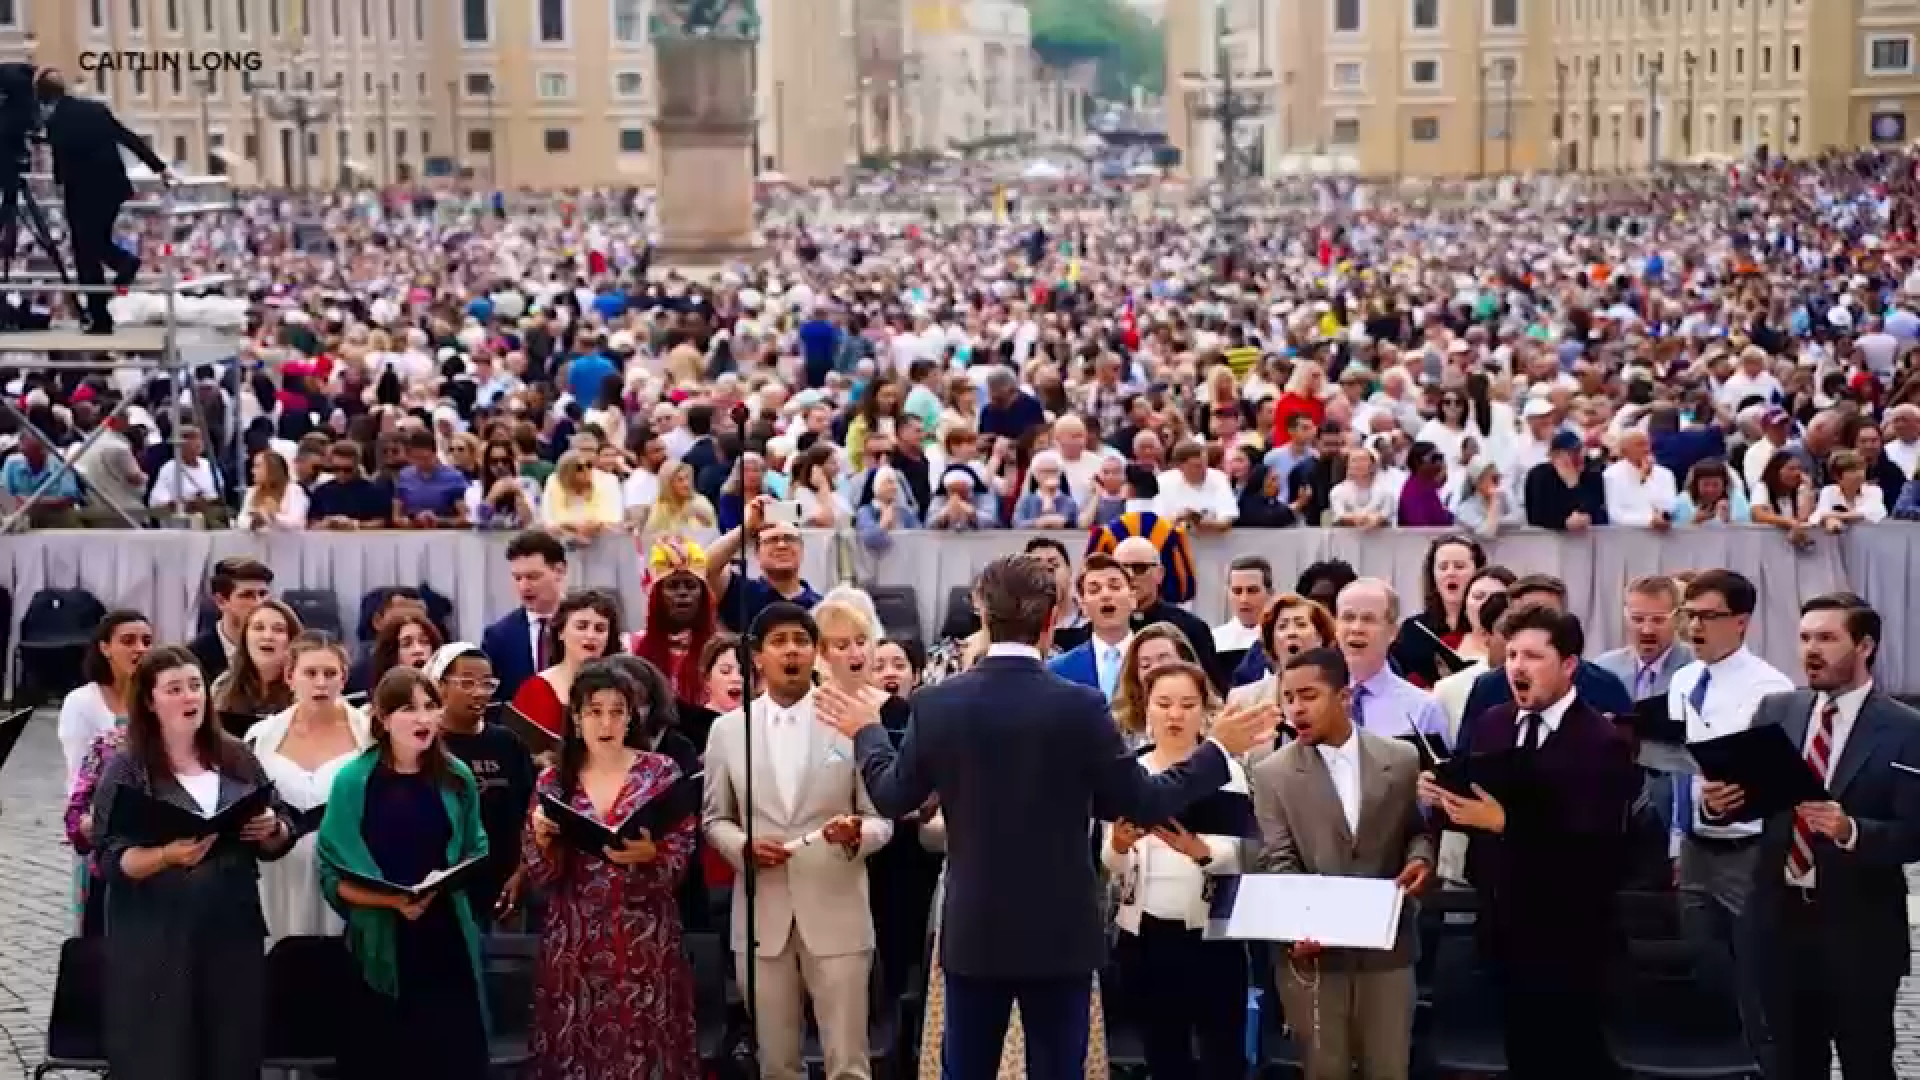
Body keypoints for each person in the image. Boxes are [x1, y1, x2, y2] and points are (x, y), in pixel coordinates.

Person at [814, 555, 1278, 1080]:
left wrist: (867, 732)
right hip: (1062, 936)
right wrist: (1215, 750)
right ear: (1054, 617)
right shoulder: (1081, 706)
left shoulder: (939, 702)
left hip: (976, 932)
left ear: (982, 614)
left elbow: (893, 795)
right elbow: (1141, 802)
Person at [1420, 605, 1640, 1080]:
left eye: (1534, 656)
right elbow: (1480, 805)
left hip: (1573, 939)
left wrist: (1505, 824)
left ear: (1568, 665)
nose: (1517, 666)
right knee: (1520, 1057)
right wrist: (1445, 799)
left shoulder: (1602, 740)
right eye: (1513, 654)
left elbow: (1597, 847)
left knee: (1570, 1059)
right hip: (1504, 928)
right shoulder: (1494, 723)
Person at [702, 602, 892, 1080]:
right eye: (779, 642)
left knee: (849, 1064)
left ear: (816, 653)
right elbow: (713, 818)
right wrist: (741, 846)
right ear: (757, 657)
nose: (792, 651)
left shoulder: (854, 722)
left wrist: (856, 836)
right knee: (776, 1065)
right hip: (761, 919)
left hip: (838, 913)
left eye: (801, 641)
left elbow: (882, 818)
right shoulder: (727, 731)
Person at [89, 645, 294, 1080]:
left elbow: (279, 829)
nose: (190, 698)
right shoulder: (127, 769)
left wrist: (271, 828)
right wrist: (166, 856)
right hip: (156, 939)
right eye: (175, 689)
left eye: (196, 686)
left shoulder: (236, 756)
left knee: (232, 1054)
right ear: (149, 700)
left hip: (231, 933)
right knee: (164, 1058)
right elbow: (109, 859)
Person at [1738, 594, 1920, 1080]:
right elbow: (1757, 803)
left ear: (1865, 646)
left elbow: (1914, 835)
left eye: (1826, 638)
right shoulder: (1777, 711)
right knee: (1791, 1065)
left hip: (1859, 932)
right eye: (1804, 638)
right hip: (1778, 924)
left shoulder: (1905, 729)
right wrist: (1723, 801)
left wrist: (1852, 830)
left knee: (1867, 1063)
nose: (1811, 650)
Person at [1254, 647, 1433, 1080]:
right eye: (1288, 697)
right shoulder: (1269, 772)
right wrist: (1301, 925)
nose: (1295, 708)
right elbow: (1278, 859)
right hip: (1312, 958)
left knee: (1389, 1070)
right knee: (1323, 1072)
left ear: (1345, 696)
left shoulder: (1402, 759)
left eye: (1308, 695)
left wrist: (1421, 859)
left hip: (1387, 953)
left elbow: (1418, 831)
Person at [523, 663, 700, 1080]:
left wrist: (650, 853)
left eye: (617, 711)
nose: (606, 722)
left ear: (632, 717)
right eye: (595, 711)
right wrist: (545, 843)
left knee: (648, 1041)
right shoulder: (554, 780)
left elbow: (682, 850)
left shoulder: (659, 773)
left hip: (644, 934)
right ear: (577, 718)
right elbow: (538, 872)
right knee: (577, 1045)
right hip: (576, 937)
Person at [316, 667, 492, 1080]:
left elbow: (476, 848)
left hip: (446, 939)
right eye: (409, 709)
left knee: (452, 1062)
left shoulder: (456, 777)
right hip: (380, 941)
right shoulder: (353, 781)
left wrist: (448, 880)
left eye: (430, 706)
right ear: (382, 717)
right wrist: (394, 901)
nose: (423, 718)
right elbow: (333, 875)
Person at [1669, 569, 1795, 1062]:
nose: (1695, 627)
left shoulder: (1771, 689)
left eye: (1708, 617)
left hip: (1748, 852)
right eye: (1690, 615)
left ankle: (1765, 1063)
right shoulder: (1683, 680)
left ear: (1741, 622)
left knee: (1756, 976)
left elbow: (1781, 783)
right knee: (1703, 964)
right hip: (1694, 848)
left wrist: (1739, 796)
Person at [1102, 661, 1250, 1080]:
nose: (1174, 714)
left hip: (1209, 935)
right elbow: (1108, 863)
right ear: (1145, 709)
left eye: (1187, 704)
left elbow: (1246, 853)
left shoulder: (1229, 773)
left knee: (1221, 1051)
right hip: (1146, 932)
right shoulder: (1131, 774)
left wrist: (1201, 851)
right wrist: (1119, 845)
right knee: (1164, 1051)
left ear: (1204, 711)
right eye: (1163, 703)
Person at [244, 633, 370, 941]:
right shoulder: (261, 737)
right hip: (279, 868)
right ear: (290, 677)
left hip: (346, 866)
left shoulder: (369, 735)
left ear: (344, 678)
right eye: (310, 673)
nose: (321, 683)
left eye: (330, 673)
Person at [37, 67, 171, 334]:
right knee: (90, 250)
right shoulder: (96, 110)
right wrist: (159, 167)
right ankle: (101, 318)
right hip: (112, 190)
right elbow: (127, 137)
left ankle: (123, 266)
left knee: (87, 250)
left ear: (43, 100)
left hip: (82, 195)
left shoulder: (55, 123)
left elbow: (60, 167)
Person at [60, 609, 155, 930]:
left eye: (146, 641)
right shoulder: (82, 702)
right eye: (128, 641)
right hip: (100, 821)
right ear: (105, 648)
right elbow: (78, 774)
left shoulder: (154, 699)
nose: (139, 649)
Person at [430, 643, 536, 926]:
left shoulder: (508, 743)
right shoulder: (427, 744)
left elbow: (532, 813)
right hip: (444, 890)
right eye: (466, 683)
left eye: (487, 684)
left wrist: (523, 870)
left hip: (505, 887)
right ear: (440, 686)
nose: (479, 692)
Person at [1456, 574, 1634, 733]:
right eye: (1523, 615)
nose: (1534, 624)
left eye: (1545, 613)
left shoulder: (1604, 686)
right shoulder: (1488, 687)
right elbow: (1466, 759)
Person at [1334, 579, 1448, 744]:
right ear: (1336, 627)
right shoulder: (1317, 703)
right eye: (1348, 617)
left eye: (1368, 619)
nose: (1356, 628)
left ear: (1392, 632)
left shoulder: (1422, 709)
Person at [510, 588, 622, 739]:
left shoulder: (622, 686)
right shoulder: (534, 690)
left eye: (600, 629)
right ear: (560, 632)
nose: (591, 635)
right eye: (581, 627)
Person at [1114, 535, 1221, 692]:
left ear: (1159, 574)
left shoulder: (1192, 628)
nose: (1130, 576)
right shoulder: (1097, 630)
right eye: (1122, 569)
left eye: (1139, 568)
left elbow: (1211, 690)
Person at [706, 495, 823, 634]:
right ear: (757, 553)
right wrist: (747, 529)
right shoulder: (740, 592)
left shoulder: (820, 606)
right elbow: (706, 567)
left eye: (789, 539)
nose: (781, 545)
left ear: (802, 550)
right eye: (772, 540)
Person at [629, 540, 720, 706]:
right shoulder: (631, 647)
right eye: (673, 586)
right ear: (657, 597)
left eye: (691, 585)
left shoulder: (719, 650)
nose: (683, 593)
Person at [1389, 534, 1486, 688]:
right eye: (1443, 567)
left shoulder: (1488, 630)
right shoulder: (1413, 629)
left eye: (1459, 566)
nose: (1450, 573)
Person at [483, 529, 569, 701]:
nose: (524, 587)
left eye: (532, 577)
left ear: (559, 571)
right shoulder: (498, 636)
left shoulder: (586, 626)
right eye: (517, 578)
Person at [1047, 553, 1136, 699]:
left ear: (1133, 598)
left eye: (1115, 587)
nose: (1106, 595)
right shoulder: (1058, 670)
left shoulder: (1157, 662)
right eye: (1094, 590)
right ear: (1083, 605)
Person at [210, 599, 303, 722]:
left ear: (292, 640)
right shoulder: (222, 686)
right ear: (245, 637)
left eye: (278, 629)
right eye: (258, 628)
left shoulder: (305, 688)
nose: (267, 636)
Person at [1110, 622, 1201, 747]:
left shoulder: (1216, 723)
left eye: (1164, 660)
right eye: (1146, 665)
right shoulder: (1117, 728)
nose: (1155, 670)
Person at [188, 557, 275, 684]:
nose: (259, 603)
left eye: (263, 594)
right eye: (247, 595)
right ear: (221, 601)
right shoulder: (195, 657)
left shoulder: (279, 648)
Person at [1210, 555, 1272, 670]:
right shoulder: (1213, 641)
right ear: (1228, 594)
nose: (1244, 599)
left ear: (1270, 593)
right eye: (1237, 591)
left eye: (1252, 591)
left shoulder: (1281, 638)